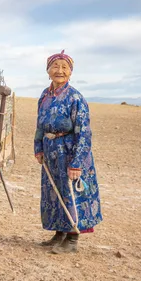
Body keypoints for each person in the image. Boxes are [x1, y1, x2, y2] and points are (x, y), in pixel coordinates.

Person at [34, 50, 102, 254]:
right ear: (48, 71)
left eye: (65, 67)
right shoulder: (44, 96)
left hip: (70, 152)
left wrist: (76, 163)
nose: (60, 71)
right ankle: (59, 233)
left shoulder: (75, 98)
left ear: (71, 73)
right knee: (53, 192)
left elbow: (84, 132)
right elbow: (39, 125)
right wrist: (38, 147)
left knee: (71, 193)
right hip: (51, 151)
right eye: (55, 66)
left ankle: (72, 238)